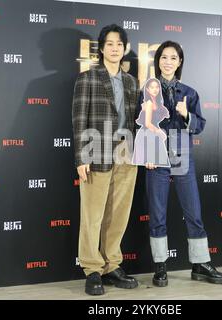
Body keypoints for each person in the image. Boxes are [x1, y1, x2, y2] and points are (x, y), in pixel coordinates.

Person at [139, 40, 222, 287]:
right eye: (164, 57)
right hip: (156, 153)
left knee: (193, 211)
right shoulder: (147, 90)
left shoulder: (189, 93)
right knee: (157, 212)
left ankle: (200, 263)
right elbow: (140, 126)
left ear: (179, 62)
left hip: (181, 151)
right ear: (158, 62)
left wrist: (186, 114)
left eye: (173, 58)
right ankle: (160, 266)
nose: (168, 62)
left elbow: (199, 126)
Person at [72, 24, 139, 295]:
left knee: (118, 214)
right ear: (102, 48)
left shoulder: (132, 82)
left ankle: (112, 264)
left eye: (119, 44)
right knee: (92, 214)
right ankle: (92, 268)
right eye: (109, 44)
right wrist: (81, 156)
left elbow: (137, 122)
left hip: (127, 153)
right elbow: (79, 120)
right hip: (96, 151)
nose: (114, 48)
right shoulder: (87, 78)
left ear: (125, 49)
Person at [132, 78, 170, 167]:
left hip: (154, 134)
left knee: (158, 163)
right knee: (151, 163)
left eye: (157, 87)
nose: (155, 89)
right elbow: (148, 123)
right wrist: (160, 133)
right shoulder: (149, 103)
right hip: (147, 134)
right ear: (148, 90)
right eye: (152, 87)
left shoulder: (158, 103)